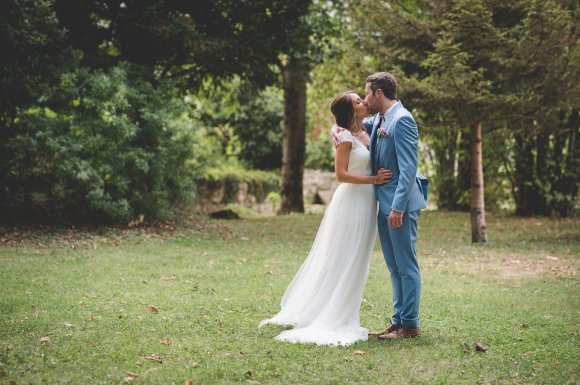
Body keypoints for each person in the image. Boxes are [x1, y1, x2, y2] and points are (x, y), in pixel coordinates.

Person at [259, 91, 392, 346]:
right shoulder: (343, 137)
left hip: (367, 203)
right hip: (350, 201)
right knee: (342, 256)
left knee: (358, 259)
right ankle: (334, 316)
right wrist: (373, 179)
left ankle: (346, 311)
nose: (364, 102)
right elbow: (341, 175)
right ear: (350, 110)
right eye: (357, 101)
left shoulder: (368, 127)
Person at [332, 72, 428, 339]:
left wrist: (397, 208)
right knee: (394, 267)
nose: (364, 99)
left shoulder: (402, 119)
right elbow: (351, 125)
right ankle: (398, 321)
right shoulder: (381, 119)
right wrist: (335, 128)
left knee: (406, 266)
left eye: (366, 94)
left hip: (400, 206)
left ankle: (409, 324)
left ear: (378, 94)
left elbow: (408, 169)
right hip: (383, 206)